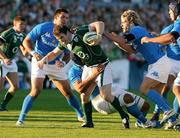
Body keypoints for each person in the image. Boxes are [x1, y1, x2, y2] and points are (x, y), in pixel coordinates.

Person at [37, 21, 130, 128]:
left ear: (67, 32)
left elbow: (99, 23)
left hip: (102, 65)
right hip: (88, 67)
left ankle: (124, 116)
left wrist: (99, 35)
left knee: (106, 96)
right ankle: (89, 122)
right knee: (84, 96)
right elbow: (53, 53)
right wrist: (43, 60)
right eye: (58, 39)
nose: (61, 40)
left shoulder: (80, 32)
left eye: (61, 37)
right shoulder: (64, 43)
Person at [104, 9, 177, 129]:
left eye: (123, 22)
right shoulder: (137, 32)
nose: (121, 25)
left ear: (130, 21)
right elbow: (132, 50)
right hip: (160, 63)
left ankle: (168, 111)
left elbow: (123, 40)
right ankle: (174, 121)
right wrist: (118, 43)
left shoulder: (136, 30)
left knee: (144, 88)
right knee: (158, 95)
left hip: (159, 63)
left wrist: (104, 33)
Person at [16, 8, 84, 126]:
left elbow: (68, 55)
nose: (65, 20)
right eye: (63, 17)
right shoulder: (43, 27)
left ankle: (81, 115)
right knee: (36, 91)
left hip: (55, 65)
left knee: (68, 92)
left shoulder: (68, 33)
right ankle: (21, 119)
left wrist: (62, 62)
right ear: (56, 17)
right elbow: (26, 41)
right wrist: (33, 53)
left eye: (67, 18)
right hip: (39, 62)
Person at [68, 59, 157, 128]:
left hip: (112, 89)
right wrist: (94, 75)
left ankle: (139, 123)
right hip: (99, 98)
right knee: (128, 98)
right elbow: (80, 89)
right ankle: (146, 122)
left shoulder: (94, 61)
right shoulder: (74, 71)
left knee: (146, 106)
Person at [141, 1, 180, 128]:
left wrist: (149, 40)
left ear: (176, 11)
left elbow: (169, 38)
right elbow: (164, 40)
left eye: (170, 11)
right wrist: (156, 38)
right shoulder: (170, 28)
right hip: (173, 63)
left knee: (175, 89)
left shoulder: (177, 25)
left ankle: (169, 116)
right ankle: (164, 117)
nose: (169, 13)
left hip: (175, 63)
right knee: (166, 89)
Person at [0, 16, 27, 111]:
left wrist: (26, 52)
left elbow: (23, 47)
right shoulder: (8, 33)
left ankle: (2, 105)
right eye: (21, 24)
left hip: (11, 62)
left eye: (24, 24)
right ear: (15, 24)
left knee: (15, 86)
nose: (23, 26)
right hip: (2, 61)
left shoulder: (23, 35)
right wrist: (4, 58)